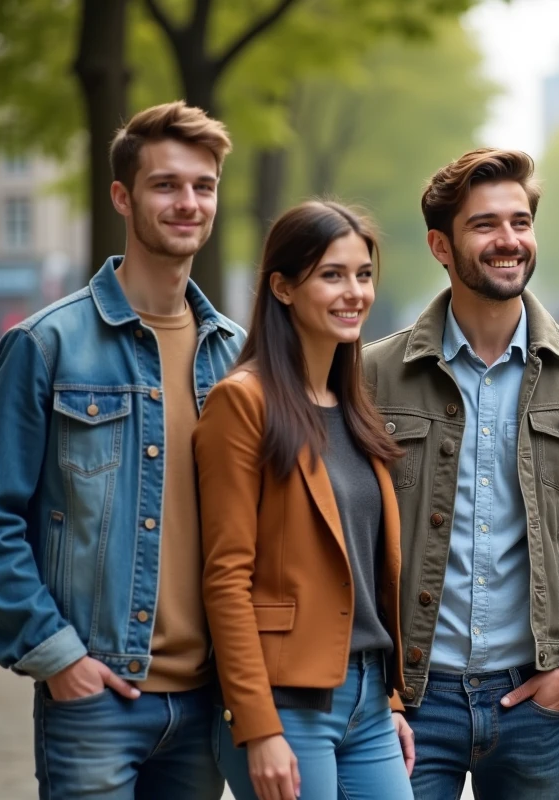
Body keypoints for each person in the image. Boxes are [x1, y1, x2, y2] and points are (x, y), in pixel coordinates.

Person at [0, 101, 241, 799]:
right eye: (165, 185)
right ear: (122, 196)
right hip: (97, 696)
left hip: (210, 702)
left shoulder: (236, 353)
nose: (188, 202)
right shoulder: (45, 344)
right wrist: (57, 658)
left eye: (203, 186)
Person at [362, 148, 559, 799]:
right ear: (440, 246)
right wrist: (376, 693)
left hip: (534, 700)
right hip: (412, 702)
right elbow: (349, 543)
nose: (508, 239)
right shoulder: (373, 375)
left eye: (520, 222)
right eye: (484, 224)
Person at [195, 201, 414, 800]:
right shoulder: (243, 402)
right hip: (286, 705)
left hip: (369, 701)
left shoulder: (354, 407)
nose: (354, 292)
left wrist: (390, 700)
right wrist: (257, 724)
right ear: (283, 288)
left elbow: (365, 574)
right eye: (332, 275)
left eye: (363, 274)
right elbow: (225, 577)